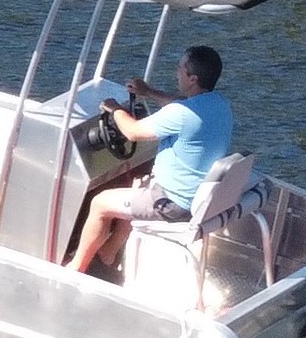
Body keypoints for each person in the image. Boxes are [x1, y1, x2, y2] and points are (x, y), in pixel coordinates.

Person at [64, 44, 234, 274]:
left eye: (180, 68)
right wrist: (149, 92)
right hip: (196, 197)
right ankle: (108, 252)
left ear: (192, 78)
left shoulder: (181, 115)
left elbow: (133, 131)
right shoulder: (219, 104)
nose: (177, 72)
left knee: (100, 203)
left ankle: (75, 269)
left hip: (172, 204)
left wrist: (114, 109)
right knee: (138, 185)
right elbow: (179, 102)